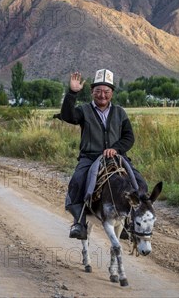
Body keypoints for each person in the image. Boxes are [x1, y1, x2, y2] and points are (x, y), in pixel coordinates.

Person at [60, 69, 148, 240]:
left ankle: (129, 222)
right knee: (77, 182)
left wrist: (116, 148)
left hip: (116, 157)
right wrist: (72, 93)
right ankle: (79, 223)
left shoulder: (120, 112)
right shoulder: (84, 110)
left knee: (140, 184)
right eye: (98, 91)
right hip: (90, 157)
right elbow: (67, 116)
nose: (102, 95)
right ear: (92, 92)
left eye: (106, 91)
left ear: (112, 93)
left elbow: (129, 137)